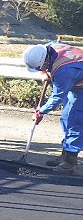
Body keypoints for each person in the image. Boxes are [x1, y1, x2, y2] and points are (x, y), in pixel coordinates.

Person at [23, 42, 83, 172]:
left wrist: (41, 111)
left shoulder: (63, 70)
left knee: (76, 120)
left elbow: (57, 98)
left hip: (79, 83)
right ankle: (65, 154)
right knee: (66, 117)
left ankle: (70, 161)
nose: (40, 70)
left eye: (40, 68)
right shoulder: (48, 48)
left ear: (44, 61)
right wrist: (44, 72)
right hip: (77, 80)